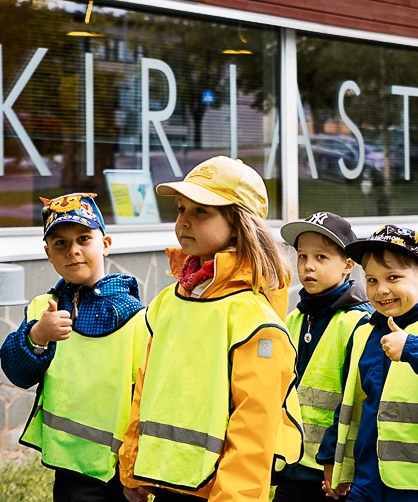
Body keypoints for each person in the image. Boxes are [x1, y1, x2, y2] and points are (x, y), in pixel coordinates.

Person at [118, 156, 302, 502]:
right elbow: (145, 390)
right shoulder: (168, 301)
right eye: (180, 208)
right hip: (162, 483)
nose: (183, 221)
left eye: (200, 211)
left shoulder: (254, 319)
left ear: (237, 224)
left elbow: (254, 432)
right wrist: (130, 466)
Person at [0, 192, 145, 501]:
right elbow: (18, 373)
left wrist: (135, 462)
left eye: (83, 238)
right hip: (69, 461)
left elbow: (146, 391)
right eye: (60, 243)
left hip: (120, 460)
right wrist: (38, 336)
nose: (73, 251)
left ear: (104, 245)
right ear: (48, 253)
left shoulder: (132, 313)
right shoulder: (44, 307)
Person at [322, 225, 418, 502]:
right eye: (372, 280)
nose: (382, 290)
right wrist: (331, 460)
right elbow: (350, 404)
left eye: (393, 277)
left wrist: (413, 348)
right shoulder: (364, 333)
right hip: (368, 483)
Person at [274, 212, 372, 501]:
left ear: (348, 265)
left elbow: (355, 400)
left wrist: (333, 460)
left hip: (332, 473)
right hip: (290, 465)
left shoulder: (358, 323)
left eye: (321, 257)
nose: (308, 266)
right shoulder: (293, 319)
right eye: (302, 256)